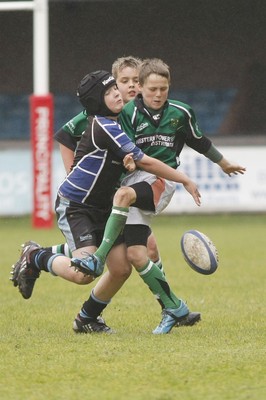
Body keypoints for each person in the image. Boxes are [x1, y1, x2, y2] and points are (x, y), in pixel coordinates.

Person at [11, 70, 201, 334]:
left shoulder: (118, 124)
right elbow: (144, 160)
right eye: (110, 91)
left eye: (116, 88)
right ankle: (36, 257)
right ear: (98, 102)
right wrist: (184, 179)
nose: (117, 92)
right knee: (84, 273)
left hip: (103, 206)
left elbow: (130, 159)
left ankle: (87, 319)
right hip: (77, 206)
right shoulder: (104, 125)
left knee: (122, 267)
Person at [71, 58, 246, 334]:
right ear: (140, 88)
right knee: (138, 254)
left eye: (163, 89)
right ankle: (174, 308)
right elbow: (120, 148)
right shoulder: (127, 112)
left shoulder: (181, 112)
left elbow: (199, 141)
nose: (158, 94)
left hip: (161, 181)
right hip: (131, 180)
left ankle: (96, 256)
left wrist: (223, 163)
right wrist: (126, 162)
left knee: (124, 197)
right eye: (152, 89)